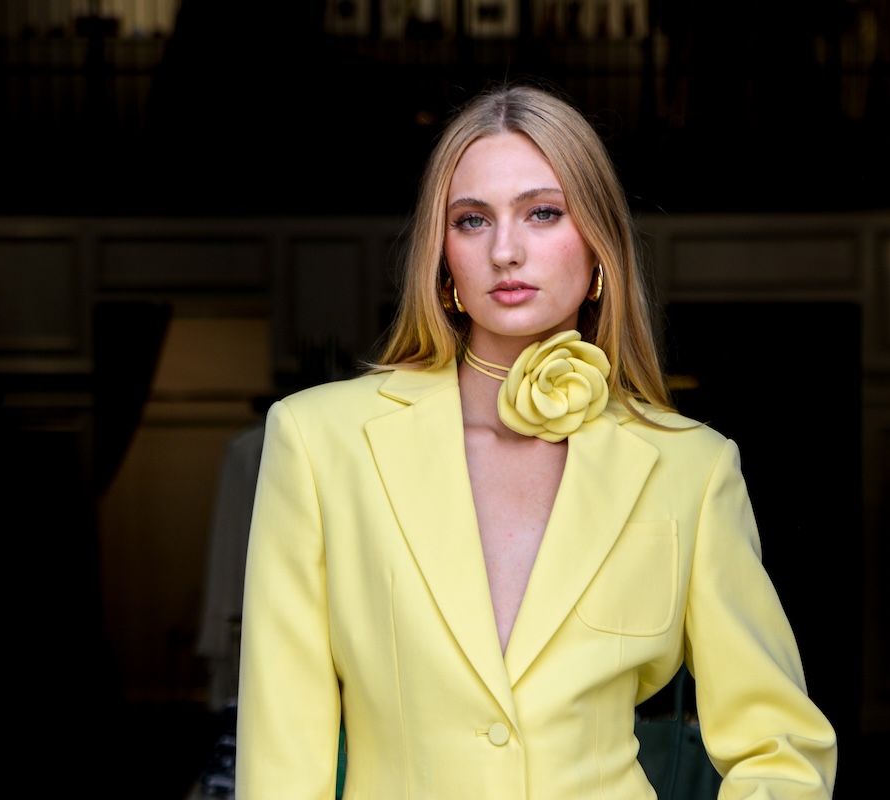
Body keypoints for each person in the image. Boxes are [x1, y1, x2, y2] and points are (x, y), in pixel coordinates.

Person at [235, 81, 838, 799]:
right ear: (442, 257)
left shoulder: (691, 468)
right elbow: (281, 752)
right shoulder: (318, 441)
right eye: (471, 221)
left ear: (600, 250)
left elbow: (782, 745)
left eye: (543, 213)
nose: (506, 251)